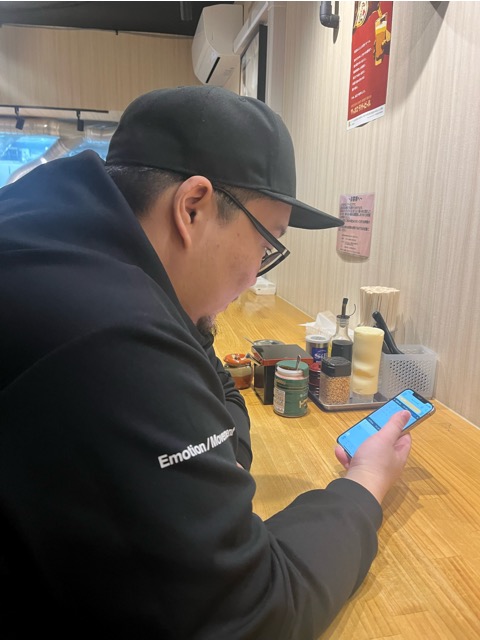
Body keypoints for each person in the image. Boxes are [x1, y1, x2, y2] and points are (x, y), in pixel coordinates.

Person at [0, 86, 411, 639]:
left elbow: (215, 388)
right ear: (192, 207)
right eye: (267, 244)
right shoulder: (113, 332)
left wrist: (207, 456)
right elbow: (254, 614)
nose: (256, 276)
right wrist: (365, 481)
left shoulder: (60, 228)